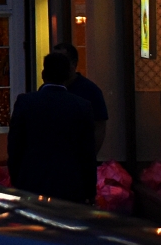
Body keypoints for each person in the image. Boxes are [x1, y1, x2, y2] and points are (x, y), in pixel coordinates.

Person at [8, 49, 97, 204]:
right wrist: (89, 191)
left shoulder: (26, 103)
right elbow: (87, 153)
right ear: (68, 75)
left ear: (43, 74)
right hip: (70, 185)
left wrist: (17, 179)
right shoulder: (82, 106)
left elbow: (15, 146)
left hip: (32, 182)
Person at [54, 42, 109, 154]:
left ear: (73, 64)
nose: (57, 65)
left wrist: (89, 156)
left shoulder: (90, 91)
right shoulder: (49, 89)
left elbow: (99, 126)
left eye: (61, 61)